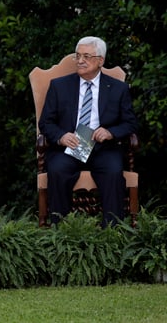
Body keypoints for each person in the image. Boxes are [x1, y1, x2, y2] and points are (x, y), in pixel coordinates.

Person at [39, 36, 138, 227]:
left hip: (104, 148)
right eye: (78, 56)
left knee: (113, 171)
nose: (80, 60)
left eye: (86, 56)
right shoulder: (59, 86)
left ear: (100, 60)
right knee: (57, 169)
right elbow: (46, 122)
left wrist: (110, 132)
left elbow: (130, 124)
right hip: (70, 147)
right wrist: (61, 136)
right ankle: (61, 231)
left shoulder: (118, 89)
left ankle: (112, 231)